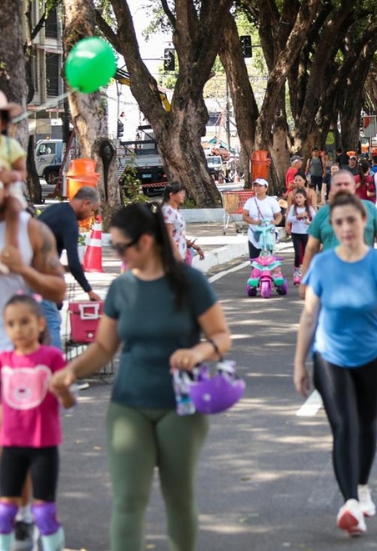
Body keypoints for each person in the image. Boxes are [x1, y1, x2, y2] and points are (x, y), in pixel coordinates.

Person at [49, 203, 232, 551]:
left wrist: (197, 352)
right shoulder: (121, 288)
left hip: (180, 405)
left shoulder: (188, 282)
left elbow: (222, 338)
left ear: (146, 241)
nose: (116, 253)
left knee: (178, 497)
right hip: (129, 404)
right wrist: (68, 371)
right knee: (129, 500)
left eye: (121, 247)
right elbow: (104, 347)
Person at [294, 193, 377, 536]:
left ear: (365, 222)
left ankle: (361, 486)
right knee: (344, 426)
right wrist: (299, 362)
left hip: (374, 355)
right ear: (333, 226)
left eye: (352, 221)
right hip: (330, 356)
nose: (346, 227)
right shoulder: (323, 265)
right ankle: (350, 504)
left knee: (367, 422)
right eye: (339, 222)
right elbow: (309, 314)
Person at [0, 296, 75, 551]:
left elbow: (68, 402)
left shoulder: (52, 357)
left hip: (43, 446)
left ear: (41, 323)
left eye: (24, 322)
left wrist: (62, 390)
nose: (18, 329)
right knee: (4, 512)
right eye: (11, 323)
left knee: (44, 513)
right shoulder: (4, 361)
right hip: (11, 447)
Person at [300, 171, 377, 298]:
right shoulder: (323, 214)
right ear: (332, 189)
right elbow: (311, 248)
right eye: (338, 184)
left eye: (346, 184)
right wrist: (305, 281)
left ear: (354, 188)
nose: (343, 187)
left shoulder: (369, 209)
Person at [38, 187, 102, 348]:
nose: (90, 216)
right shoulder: (70, 222)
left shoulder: (55, 210)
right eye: (92, 210)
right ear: (85, 203)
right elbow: (74, 263)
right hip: (40, 278)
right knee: (52, 320)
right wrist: (89, 291)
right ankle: (55, 367)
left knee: (38, 323)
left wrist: (62, 268)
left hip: (27, 272)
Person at [0, 93, 28, 276]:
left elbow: (22, 171)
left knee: (14, 207)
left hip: (7, 189)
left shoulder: (10, 146)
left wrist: (11, 176)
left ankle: (11, 250)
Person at [161, 182, 205, 266]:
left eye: (184, 193)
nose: (183, 195)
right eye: (181, 193)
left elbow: (178, 235)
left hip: (181, 255)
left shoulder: (175, 211)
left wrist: (196, 247)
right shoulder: (167, 211)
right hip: (173, 258)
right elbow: (168, 236)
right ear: (171, 195)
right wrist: (176, 256)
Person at [242, 178, 282, 259]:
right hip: (254, 233)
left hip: (268, 233)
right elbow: (245, 216)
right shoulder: (250, 201)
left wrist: (276, 222)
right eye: (255, 185)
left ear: (266, 188)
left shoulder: (271, 201)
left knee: (267, 259)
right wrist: (254, 222)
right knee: (254, 260)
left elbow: (278, 215)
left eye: (260, 186)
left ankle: (266, 271)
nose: (257, 187)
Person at [286, 188, 316, 285]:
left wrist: (309, 222)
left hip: (306, 233)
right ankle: (297, 271)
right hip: (296, 233)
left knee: (308, 254)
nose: (298, 199)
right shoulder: (293, 208)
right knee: (298, 253)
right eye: (296, 197)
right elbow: (288, 219)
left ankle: (309, 272)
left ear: (305, 198)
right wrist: (297, 217)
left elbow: (316, 221)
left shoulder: (309, 208)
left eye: (300, 197)